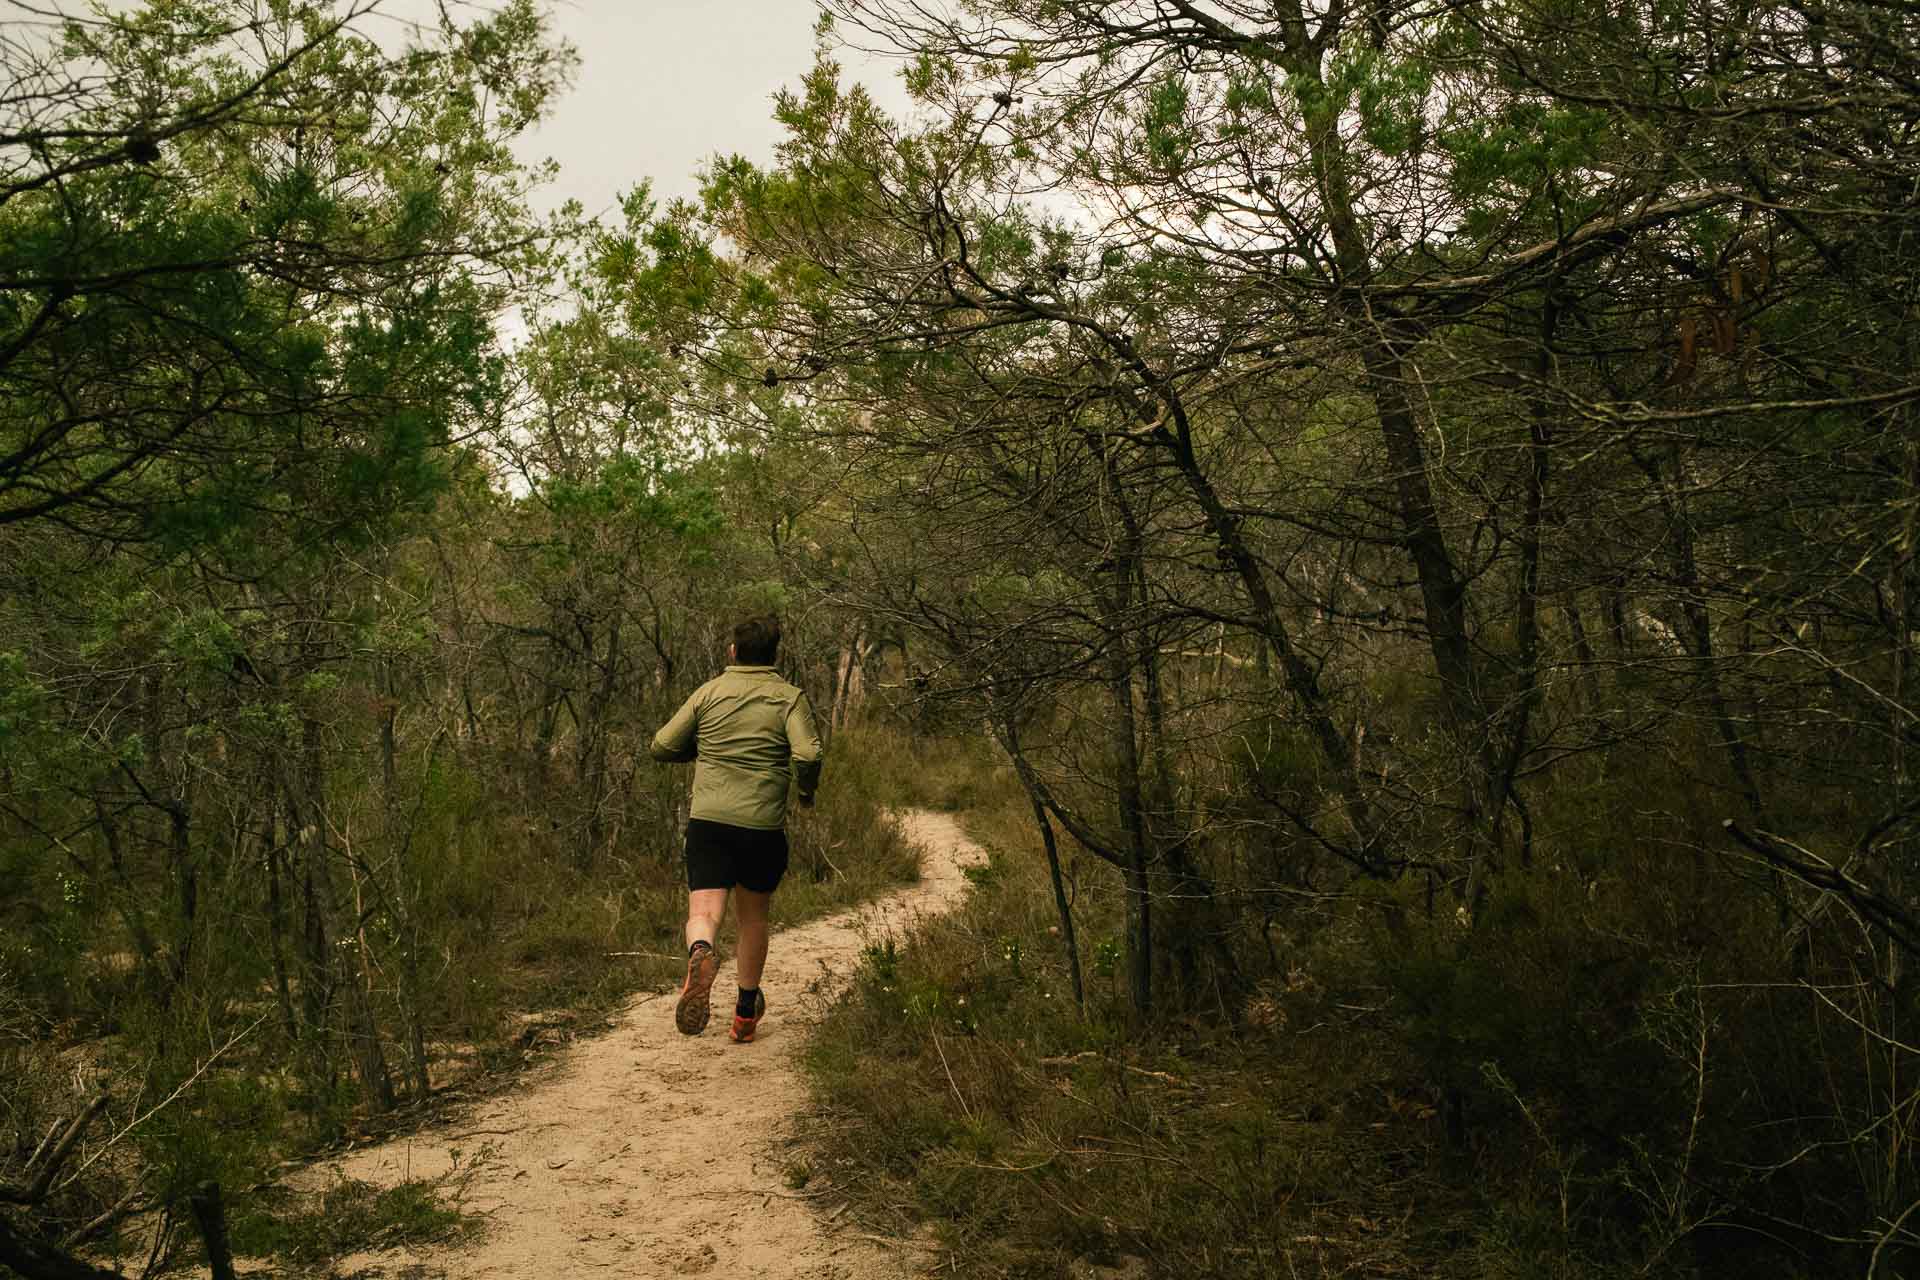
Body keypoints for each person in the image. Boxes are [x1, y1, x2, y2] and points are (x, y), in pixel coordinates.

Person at [649, 615, 822, 1043]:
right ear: (774, 654)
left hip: (709, 821)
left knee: (703, 912)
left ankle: (700, 950)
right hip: (760, 826)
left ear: (732, 652)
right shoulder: (788, 697)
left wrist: (702, 750)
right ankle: (745, 1014)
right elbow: (808, 754)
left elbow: (662, 745)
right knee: (753, 919)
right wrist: (806, 793)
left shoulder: (709, 692)